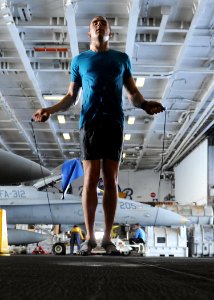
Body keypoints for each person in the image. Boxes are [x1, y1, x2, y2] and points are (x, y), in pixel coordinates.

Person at [32, 16, 165, 255]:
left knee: (111, 181)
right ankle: (90, 238)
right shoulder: (79, 60)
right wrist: (49, 110)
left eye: (103, 22)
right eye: (94, 22)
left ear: (110, 33)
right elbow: (72, 96)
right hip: (90, 124)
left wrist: (144, 104)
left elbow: (133, 92)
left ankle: (107, 239)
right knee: (90, 180)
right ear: (89, 33)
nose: (98, 24)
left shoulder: (121, 59)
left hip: (114, 123)